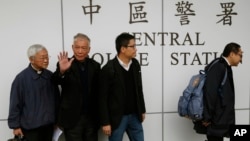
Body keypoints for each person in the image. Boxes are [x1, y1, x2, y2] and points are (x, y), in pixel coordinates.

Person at [52, 33, 100, 141]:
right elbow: (55, 80)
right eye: (77, 47)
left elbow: (99, 92)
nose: (80, 51)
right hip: (72, 119)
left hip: (91, 118)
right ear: (72, 47)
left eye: (83, 48)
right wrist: (62, 71)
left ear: (89, 49)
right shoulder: (65, 63)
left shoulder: (95, 65)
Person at [98, 32, 146, 141]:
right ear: (123, 49)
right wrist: (105, 122)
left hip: (135, 115)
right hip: (117, 118)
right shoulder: (108, 69)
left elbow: (139, 89)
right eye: (132, 46)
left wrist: (142, 110)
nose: (135, 49)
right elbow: (102, 98)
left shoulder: (135, 64)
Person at [8, 44, 60, 141]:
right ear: (31, 59)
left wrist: (57, 120)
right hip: (30, 129)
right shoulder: (21, 79)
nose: (46, 60)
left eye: (47, 57)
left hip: (48, 127)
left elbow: (56, 100)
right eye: (42, 58)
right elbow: (15, 104)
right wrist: (15, 126)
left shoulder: (50, 76)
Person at [202, 42, 243, 141]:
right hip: (215, 120)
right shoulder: (219, 67)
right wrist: (207, 117)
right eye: (240, 55)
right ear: (232, 54)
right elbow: (210, 93)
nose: (241, 60)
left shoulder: (224, 66)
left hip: (220, 119)